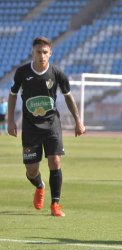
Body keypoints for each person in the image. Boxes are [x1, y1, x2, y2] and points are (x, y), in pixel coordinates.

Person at [7, 36, 86, 217]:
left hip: (52, 124)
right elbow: (12, 95)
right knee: (31, 169)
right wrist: (10, 121)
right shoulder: (22, 72)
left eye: (45, 52)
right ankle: (40, 186)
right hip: (30, 126)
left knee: (55, 161)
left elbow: (68, 96)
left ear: (50, 53)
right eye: (38, 52)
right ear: (33, 53)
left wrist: (78, 121)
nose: (41, 55)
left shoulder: (57, 74)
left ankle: (55, 204)